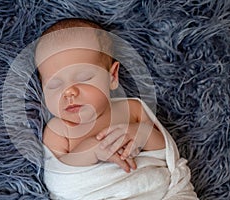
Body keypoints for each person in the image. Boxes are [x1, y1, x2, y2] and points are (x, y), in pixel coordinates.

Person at [35, 18, 198, 199]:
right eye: (54, 85)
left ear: (112, 76)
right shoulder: (58, 130)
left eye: (83, 77)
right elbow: (59, 180)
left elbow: (164, 153)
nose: (69, 92)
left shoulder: (132, 108)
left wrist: (141, 134)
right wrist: (92, 151)